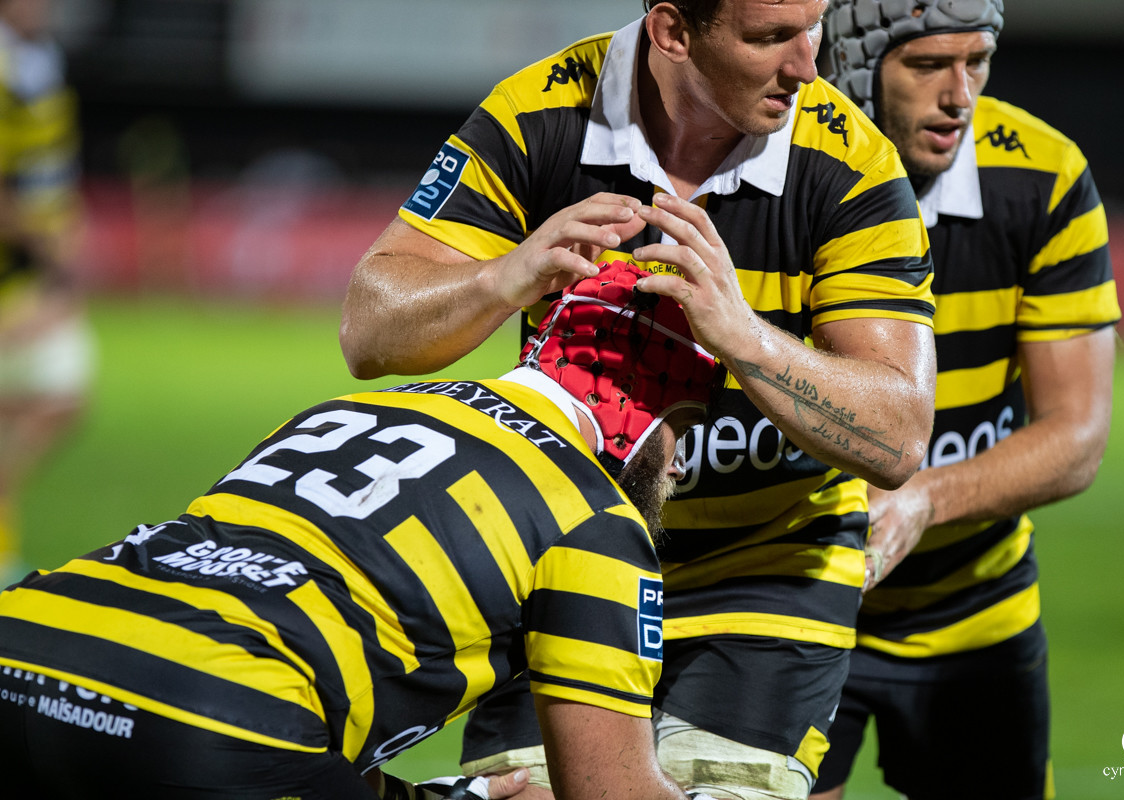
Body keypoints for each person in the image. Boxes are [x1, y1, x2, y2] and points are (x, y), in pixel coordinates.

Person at [339, 1, 938, 797]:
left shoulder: (850, 161)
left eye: (814, 26)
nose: (808, 65)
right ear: (673, 32)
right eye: (769, 38)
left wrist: (745, 337)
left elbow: (898, 438)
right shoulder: (539, 112)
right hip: (561, 549)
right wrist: (503, 276)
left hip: (763, 570)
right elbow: (368, 329)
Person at [0, 260, 726, 800]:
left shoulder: (341, 411)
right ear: (644, 419)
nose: (678, 470)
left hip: (27, 645)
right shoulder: (591, 514)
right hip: (215, 714)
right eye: (683, 432)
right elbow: (611, 795)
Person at [810, 2, 1121, 799]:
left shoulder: (1044, 175)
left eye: (976, 61)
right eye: (926, 66)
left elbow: (1078, 435)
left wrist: (921, 501)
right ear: (851, 63)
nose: (960, 94)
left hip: (975, 607)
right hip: (794, 602)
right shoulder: (784, 172)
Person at [0, 0, 92, 587]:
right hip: (19, 270)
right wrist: (42, 238)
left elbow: (42, 164)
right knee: (52, 398)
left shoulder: (35, 60)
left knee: (51, 401)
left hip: (36, 272)